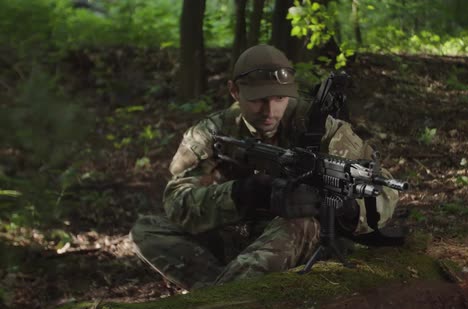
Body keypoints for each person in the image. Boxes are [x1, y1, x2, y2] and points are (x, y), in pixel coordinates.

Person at [129, 44, 400, 290]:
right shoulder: (212, 133)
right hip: (238, 234)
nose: (269, 111)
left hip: (298, 237)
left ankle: (221, 300)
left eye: (279, 99)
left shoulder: (318, 127)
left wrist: (344, 207)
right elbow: (177, 202)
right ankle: (228, 291)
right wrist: (243, 193)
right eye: (258, 99)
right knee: (147, 230)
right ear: (234, 91)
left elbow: (383, 187)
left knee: (301, 224)